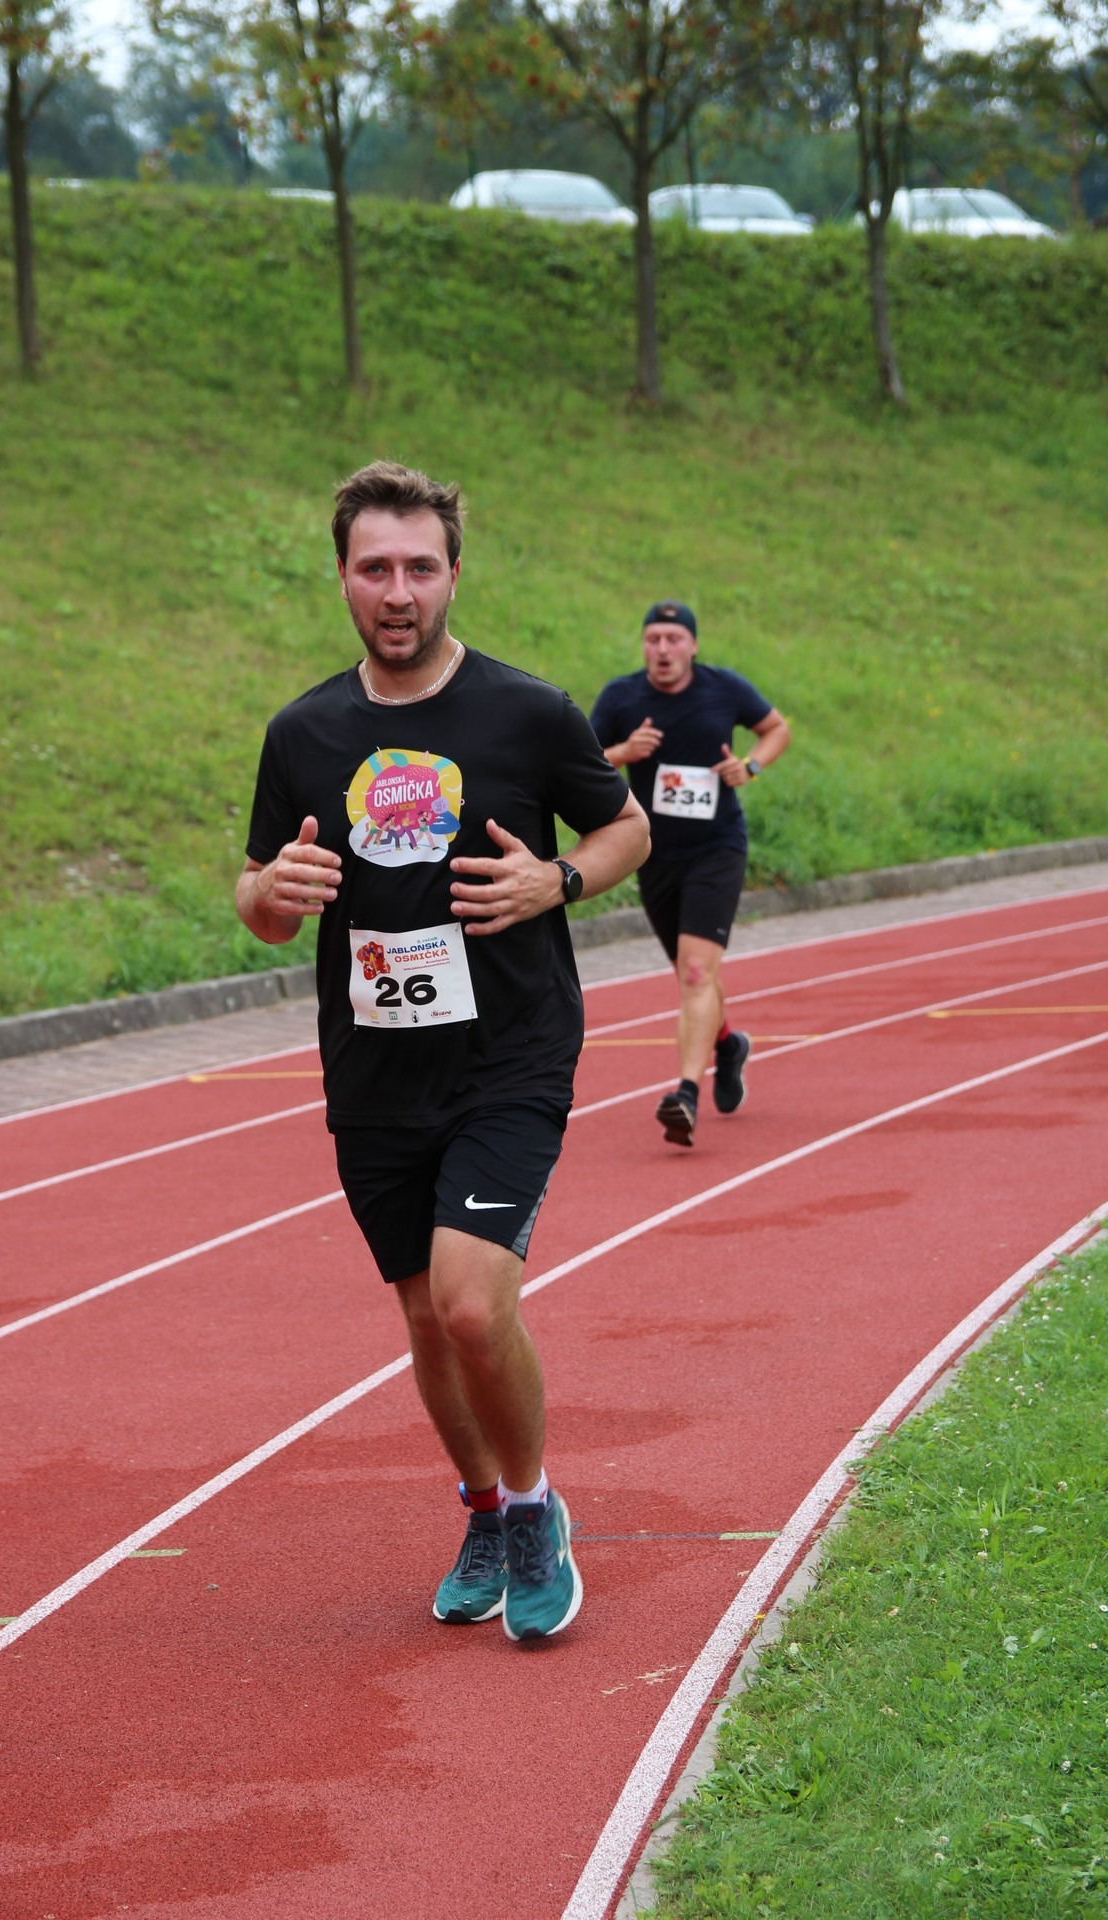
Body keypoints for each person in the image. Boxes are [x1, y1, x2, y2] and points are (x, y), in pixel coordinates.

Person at [236, 461, 649, 1641]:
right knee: (423, 1318)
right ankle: (479, 1505)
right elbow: (258, 898)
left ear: (453, 574)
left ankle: (531, 1508)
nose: (398, 591)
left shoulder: (526, 712)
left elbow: (623, 829)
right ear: (341, 577)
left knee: (471, 1307)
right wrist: (272, 892)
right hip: (374, 1065)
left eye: (419, 567)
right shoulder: (303, 731)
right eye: (375, 567)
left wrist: (556, 879)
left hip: (508, 1053)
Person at [590, 601, 790, 1148]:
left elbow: (776, 729)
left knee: (697, 972)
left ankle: (685, 1095)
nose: (662, 649)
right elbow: (581, 762)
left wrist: (749, 766)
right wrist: (624, 751)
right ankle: (727, 1045)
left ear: (693, 645)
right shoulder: (622, 697)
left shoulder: (724, 688)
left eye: (674, 639)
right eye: (653, 638)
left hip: (716, 847)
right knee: (690, 970)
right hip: (653, 853)